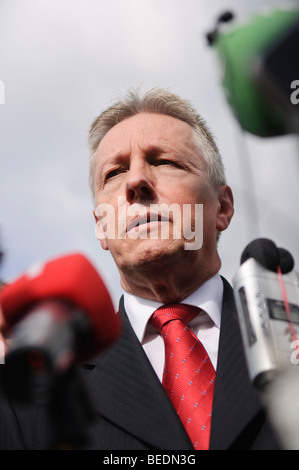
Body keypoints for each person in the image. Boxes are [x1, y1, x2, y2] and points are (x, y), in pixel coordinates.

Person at [0, 88, 281, 450]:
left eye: (165, 162)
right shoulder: (34, 385)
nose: (135, 182)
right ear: (101, 226)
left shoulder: (287, 333)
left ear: (223, 208)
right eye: (114, 172)